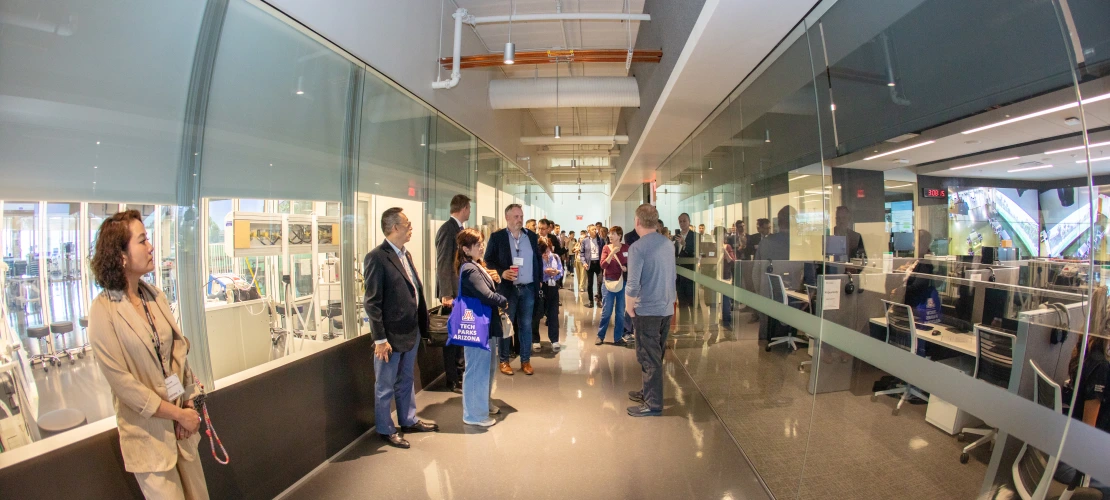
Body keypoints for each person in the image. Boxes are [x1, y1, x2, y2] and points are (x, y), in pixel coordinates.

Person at [88, 210, 209, 500]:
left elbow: (176, 356)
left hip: (183, 432)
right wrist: (178, 414)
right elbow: (125, 387)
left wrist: (189, 403)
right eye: (142, 240)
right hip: (149, 439)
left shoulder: (155, 295)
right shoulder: (103, 312)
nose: (151, 246)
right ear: (121, 256)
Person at [364, 207, 439, 449]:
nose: (411, 228)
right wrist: (380, 339)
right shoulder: (377, 257)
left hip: (411, 330)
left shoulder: (405, 255)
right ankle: (386, 429)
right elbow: (372, 302)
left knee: (406, 379)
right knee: (385, 384)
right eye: (407, 223)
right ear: (394, 227)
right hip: (390, 336)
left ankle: (408, 420)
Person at [626, 204, 676, 417]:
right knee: (657, 353)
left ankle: (653, 404)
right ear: (655, 221)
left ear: (638, 221)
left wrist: (629, 307)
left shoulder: (637, 248)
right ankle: (648, 391)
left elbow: (633, 284)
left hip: (647, 310)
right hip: (666, 307)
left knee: (648, 356)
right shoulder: (668, 244)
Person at [454, 228, 508, 427]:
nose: (482, 247)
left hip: (485, 324)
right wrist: (504, 300)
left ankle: (482, 404)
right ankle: (474, 414)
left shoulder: (477, 265)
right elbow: (486, 295)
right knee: (477, 369)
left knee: (486, 368)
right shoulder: (469, 268)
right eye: (477, 244)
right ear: (466, 249)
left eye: (481, 243)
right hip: (476, 324)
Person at [484, 204, 542, 376]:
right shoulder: (497, 237)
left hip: (528, 288)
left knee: (526, 325)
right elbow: (488, 260)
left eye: (521, 216)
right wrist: (502, 272)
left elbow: (537, 260)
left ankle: (525, 361)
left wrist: (539, 281)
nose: (519, 220)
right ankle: (504, 361)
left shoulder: (531, 236)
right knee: (506, 326)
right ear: (507, 218)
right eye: (516, 217)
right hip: (508, 290)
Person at [434, 194, 470, 394]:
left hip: (462, 293)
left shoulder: (459, 230)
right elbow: (443, 263)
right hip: (453, 294)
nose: (470, 212)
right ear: (463, 208)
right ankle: (452, 379)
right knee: (453, 338)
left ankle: (460, 373)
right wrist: (446, 293)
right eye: (469, 208)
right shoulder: (447, 230)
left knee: (461, 336)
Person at [596, 226, 629, 346]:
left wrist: (626, 268)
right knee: (607, 311)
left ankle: (618, 337)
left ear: (619, 236)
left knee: (620, 312)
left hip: (622, 283)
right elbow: (603, 265)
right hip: (608, 282)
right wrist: (612, 254)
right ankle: (600, 336)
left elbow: (631, 263)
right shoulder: (606, 248)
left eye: (613, 234)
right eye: (610, 234)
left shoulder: (626, 248)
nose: (610, 236)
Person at [538, 239, 564, 352]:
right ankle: (535, 340)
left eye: (548, 250)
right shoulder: (538, 259)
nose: (547, 253)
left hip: (553, 287)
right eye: (544, 251)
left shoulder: (556, 257)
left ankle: (554, 340)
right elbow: (536, 274)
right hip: (541, 287)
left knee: (553, 314)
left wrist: (556, 273)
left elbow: (561, 271)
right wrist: (545, 272)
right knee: (537, 314)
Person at [675, 213, 697, 320]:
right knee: (682, 303)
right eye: (680, 221)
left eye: (684, 221)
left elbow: (695, 253)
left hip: (690, 273)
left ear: (689, 222)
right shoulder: (676, 237)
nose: (682, 223)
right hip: (679, 275)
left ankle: (697, 327)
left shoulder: (695, 236)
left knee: (692, 302)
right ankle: (684, 327)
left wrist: (685, 244)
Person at [580, 225, 604, 308]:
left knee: (600, 282)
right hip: (589, 264)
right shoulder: (585, 241)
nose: (595, 231)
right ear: (589, 231)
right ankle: (591, 301)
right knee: (590, 284)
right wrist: (584, 262)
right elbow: (582, 253)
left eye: (595, 229)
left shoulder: (600, 240)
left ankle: (599, 299)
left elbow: (604, 251)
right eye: (593, 229)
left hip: (598, 264)